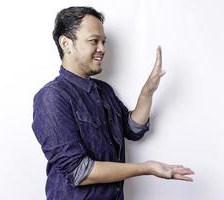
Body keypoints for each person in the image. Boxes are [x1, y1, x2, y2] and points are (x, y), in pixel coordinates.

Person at [32, 6, 194, 200]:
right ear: (66, 44)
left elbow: (132, 130)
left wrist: (147, 92)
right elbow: (79, 171)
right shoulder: (52, 97)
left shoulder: (104, 90)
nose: (102, 49)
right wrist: (147, 168)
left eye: (103, 42)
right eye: (94, 41)